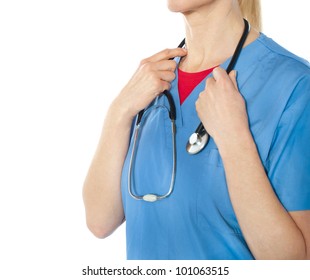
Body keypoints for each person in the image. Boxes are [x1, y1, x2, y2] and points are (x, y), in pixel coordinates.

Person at [83, 0, 310, 260]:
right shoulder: (152, 82)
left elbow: (294, 264)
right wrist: (119, 111)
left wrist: (234, 139)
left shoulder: (294, 86)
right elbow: (100, 221)